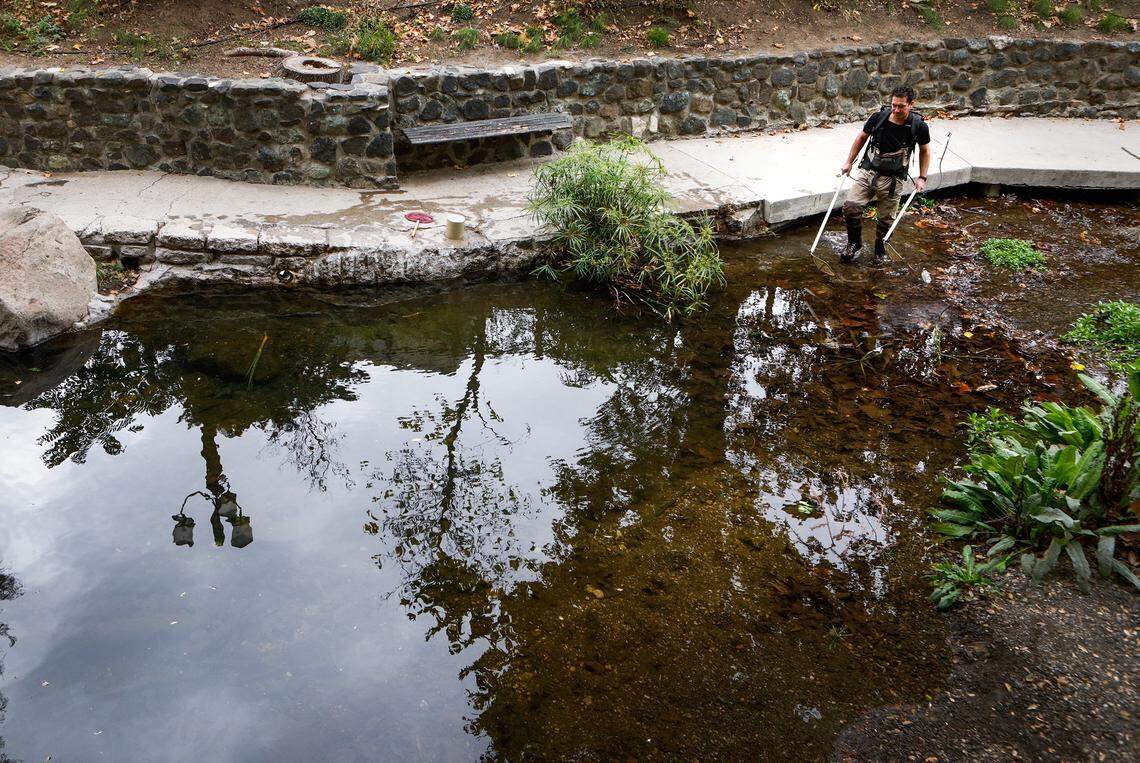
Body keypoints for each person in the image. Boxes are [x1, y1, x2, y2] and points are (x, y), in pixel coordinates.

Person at [838, 86, 931, 264]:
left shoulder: (919, 126)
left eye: (901, 106)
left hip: (894, 179)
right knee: (851, 207)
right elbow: (861, 138)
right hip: (868, 171)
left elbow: (925, 151)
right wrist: (849, 162)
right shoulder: (878, 118)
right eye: (893, 105)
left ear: (911, 104)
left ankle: (880, 250)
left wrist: (922, 177)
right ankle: (854, 243)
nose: (896, 110)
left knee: (886, 220)